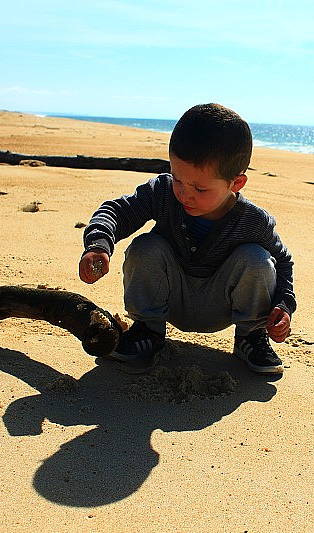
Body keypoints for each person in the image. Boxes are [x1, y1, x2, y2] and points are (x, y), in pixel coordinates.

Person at [79, 103, 296, 375]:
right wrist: (98, 244)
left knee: (257, 259)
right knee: (145, 247)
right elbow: (117, 211)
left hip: (222, 306)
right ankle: (148, 332)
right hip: (169, 300)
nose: (185, 194)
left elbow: (283, 262)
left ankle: (249, 338)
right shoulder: (163, 193)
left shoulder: (253, 220)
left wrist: (282, 306)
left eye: (200, 188)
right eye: (178, 179)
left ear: (236, 184)